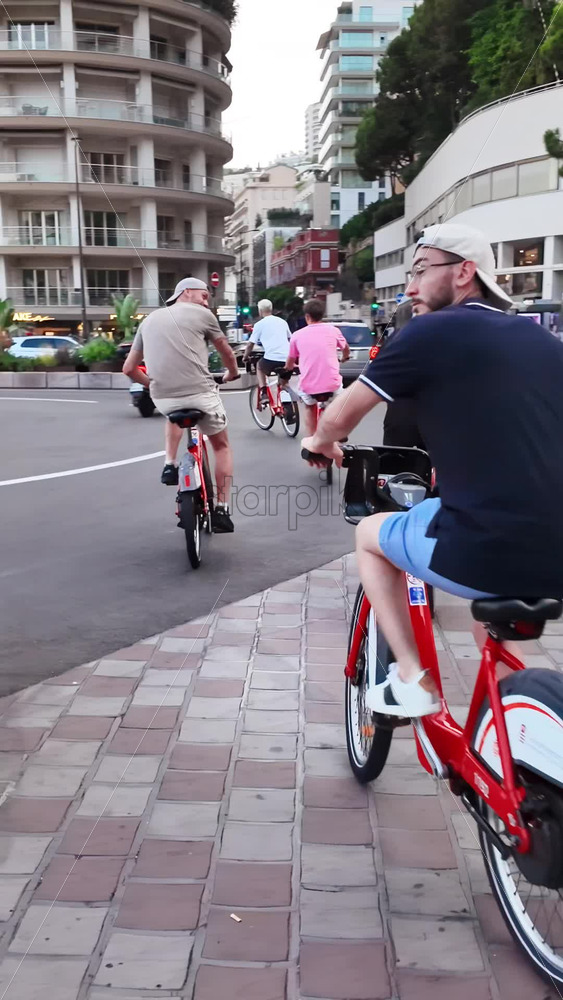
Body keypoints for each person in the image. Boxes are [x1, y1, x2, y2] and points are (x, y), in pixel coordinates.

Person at [302, 223, 563, 717]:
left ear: (465, 273)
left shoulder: (429, 331)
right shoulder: (544, 341)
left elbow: (339, 417)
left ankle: (411, 676)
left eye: (421, 270)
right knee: (493, 622)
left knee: (370, 535)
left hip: (485, 547)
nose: (410, 287)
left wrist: (319, 442)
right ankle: (510, 729)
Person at [123, 277, 239, 533]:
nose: (206, 302)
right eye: (204, 296)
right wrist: (232, 373)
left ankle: (169, 464)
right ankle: (222, 509)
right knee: (222, 446)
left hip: (164, 398)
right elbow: (226, 351)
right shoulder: (203, 315)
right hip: (201, 394)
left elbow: (129, 368)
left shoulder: (148, 320)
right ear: (186, 292)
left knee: (174, 414)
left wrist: (152, 385)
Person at [284, 298, 350, 436]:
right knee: (338, 402)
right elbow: (345, 348)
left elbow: (290, 360)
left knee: (309, 407)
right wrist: (345, 357)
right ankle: (340, 431)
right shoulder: (333, 331)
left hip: (309, 386)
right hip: (332, 384)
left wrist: (289, 367)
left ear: (307, 316)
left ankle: (312, 438)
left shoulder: (297, 335)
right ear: (322, 315)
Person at [382, 297, 429, 450]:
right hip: (436, 422)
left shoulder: (395, 343)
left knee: (394, 460)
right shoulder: (451, 342)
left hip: (399, 419)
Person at [243, 299, 291, 402]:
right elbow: (289, 339)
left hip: (271, 360)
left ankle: (264, 393)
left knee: (259, 366)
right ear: (271, 309)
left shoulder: (259, 324)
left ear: (260, 310)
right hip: (287, 360)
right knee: (284, 381)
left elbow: (250, 344)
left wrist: (245, 357)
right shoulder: (283, 322)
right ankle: (288, 400)